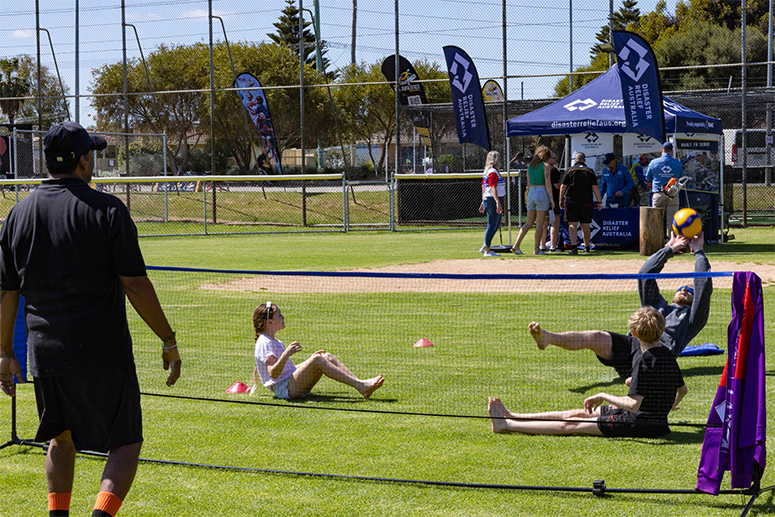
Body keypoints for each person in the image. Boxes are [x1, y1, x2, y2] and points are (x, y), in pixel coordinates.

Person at [0, 121, 182, 517]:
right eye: (92, 154)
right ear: (83, 160)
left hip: (45, 356)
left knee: (59, 439)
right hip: (103, 353)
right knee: (126, 441)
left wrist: (3, 354)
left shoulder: (18, 214)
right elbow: (135, 285)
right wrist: (168, 340)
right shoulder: (108, 209)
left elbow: (7, 293)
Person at [528, 230, 712, 378]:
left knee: (645, 364)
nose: (685, 290)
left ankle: (638, 376)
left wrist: (699, 252)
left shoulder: (692, 320)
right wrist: (668, 250)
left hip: (656, 356)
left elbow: (703, 285)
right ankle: (548, 338)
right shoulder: (657, 305)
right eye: (683, 287)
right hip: (630, 344)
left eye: (691, 291)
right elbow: (645, 274)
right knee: (595, 336)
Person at [489, 306, 688, 437]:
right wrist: (669, 406)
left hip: (637, 424)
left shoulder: (644, 361)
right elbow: (682, 390)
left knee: (573, 424)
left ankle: (506, 425)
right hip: (652, 422)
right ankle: (513, 415)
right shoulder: (668, 354)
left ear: (633, 334)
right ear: (661, 330)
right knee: (579, 413)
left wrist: (603, 394)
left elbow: (633, 405)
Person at [252, 302, 384, 399]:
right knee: (317, 360)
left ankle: (362, 387)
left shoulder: (275, 341)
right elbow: (273, 374)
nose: (283, 317)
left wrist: (309, 362)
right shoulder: (264, 342)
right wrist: (287, 354)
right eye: (279, 315)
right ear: (269, 322)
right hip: (285, 390)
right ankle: (361, 386)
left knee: (327, 357)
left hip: (291, 384)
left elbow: (287, 370)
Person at [511, 146, 555, 255]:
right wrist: (551, 199)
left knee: (528, 222)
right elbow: (547, 183)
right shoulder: (546, 166)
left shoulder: (530, 166)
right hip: (541, 192)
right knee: (540, 223)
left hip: (531, 193)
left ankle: (516, 245)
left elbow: (529, 183)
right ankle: (537, 249)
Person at [559, 152, 603, 255]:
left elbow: (562, 186)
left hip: (571, 201)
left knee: (572, 224)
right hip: (586, 201)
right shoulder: (590, 171)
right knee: (586, 224)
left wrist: (561, 199)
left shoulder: (569, 170)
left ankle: (574, 248)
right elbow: (595, 187)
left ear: (575, 160)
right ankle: (587, 247)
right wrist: (599, 201)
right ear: (584, 160)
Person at [645, 142, 684, 237]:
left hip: (659, 194)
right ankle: (673, 244)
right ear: (672, 151)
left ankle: (657, 242)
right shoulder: (678, 163)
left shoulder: (654, 162)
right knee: (672, 220)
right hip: (673, 194)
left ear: (662, 150)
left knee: (657, 219)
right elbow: (682, 178)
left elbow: (647, 178)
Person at [478, 151, 505, 257]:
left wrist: (482, 200)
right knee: (492, 224)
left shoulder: (488, 171)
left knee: (497, 224)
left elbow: (483, 187)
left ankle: (485, 245)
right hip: (492, 200)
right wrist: (498, 202)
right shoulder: (492, 171)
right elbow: (492, 188)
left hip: (489, 199)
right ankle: (487, 250)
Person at [539, 153, 563, 253]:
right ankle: (553, 246)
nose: (555, 160)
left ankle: (542, 245)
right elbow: (556, 185)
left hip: (542, 198)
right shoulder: (553, 170)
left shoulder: (539, 168)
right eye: (553, 158)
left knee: (544, 223)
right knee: (555, 222)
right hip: (553, 199)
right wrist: (563, 185)